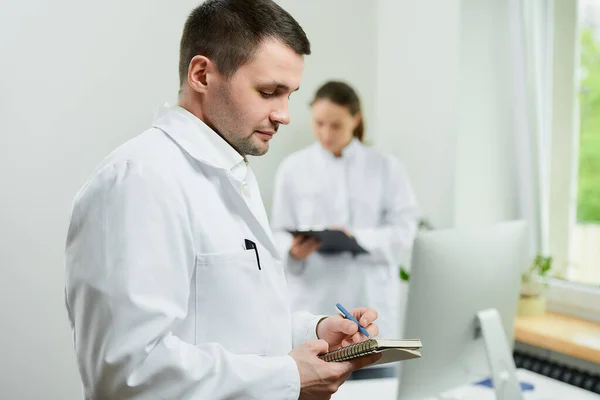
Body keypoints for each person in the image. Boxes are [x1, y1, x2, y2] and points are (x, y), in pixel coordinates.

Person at [64, 2, 382, 399]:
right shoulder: (138, 180)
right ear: (201, 75)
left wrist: (314, 331)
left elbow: (236, 325)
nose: (284, 115)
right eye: (269, 92)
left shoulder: (231, 174)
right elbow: (127, 372)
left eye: (289, 95)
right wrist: (289, 377)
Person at [271, 81, 420, 378]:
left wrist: (358, 238)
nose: (326, 134)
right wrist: (293, 249)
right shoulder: (293, 168)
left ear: (356, 119)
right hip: (314, 306)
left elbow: (405, 231)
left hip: (371, 306)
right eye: (319, 124)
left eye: (336, 125)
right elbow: (277, 232)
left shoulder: (386, 168)